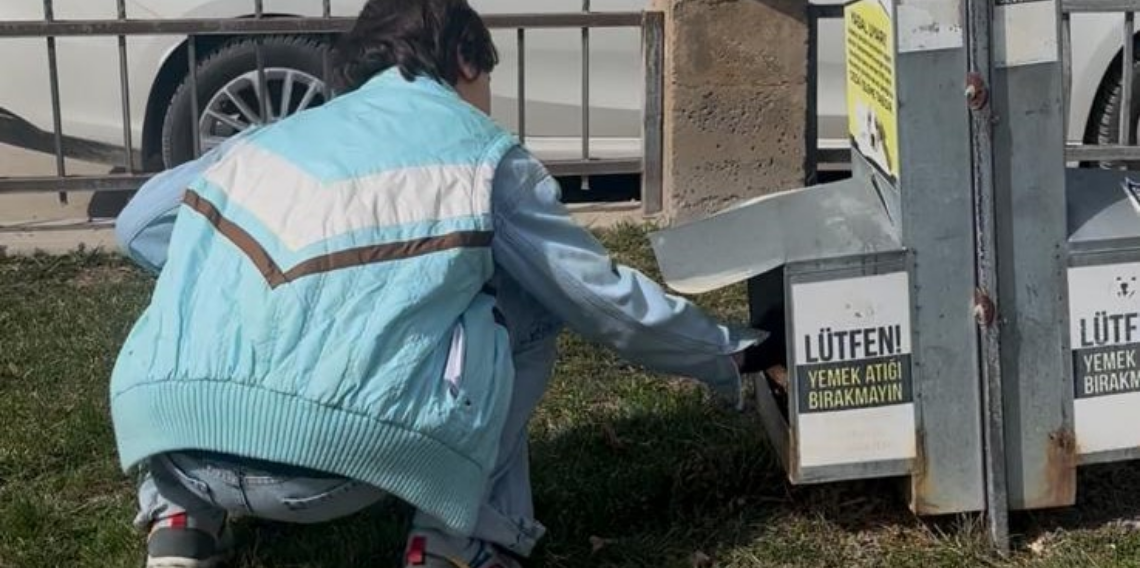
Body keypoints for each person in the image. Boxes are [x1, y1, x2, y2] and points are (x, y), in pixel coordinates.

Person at [110, 1, 776, 566]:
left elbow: (139, 225)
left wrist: (251, 280)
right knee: (530, 299)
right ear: (465, 59)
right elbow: (598, 297)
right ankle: (461, 541)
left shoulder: (268, 140)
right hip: (338, 466)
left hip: (171, 440)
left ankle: (180, 524)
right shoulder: (481, 155)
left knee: (206, 267)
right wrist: (731, 353)